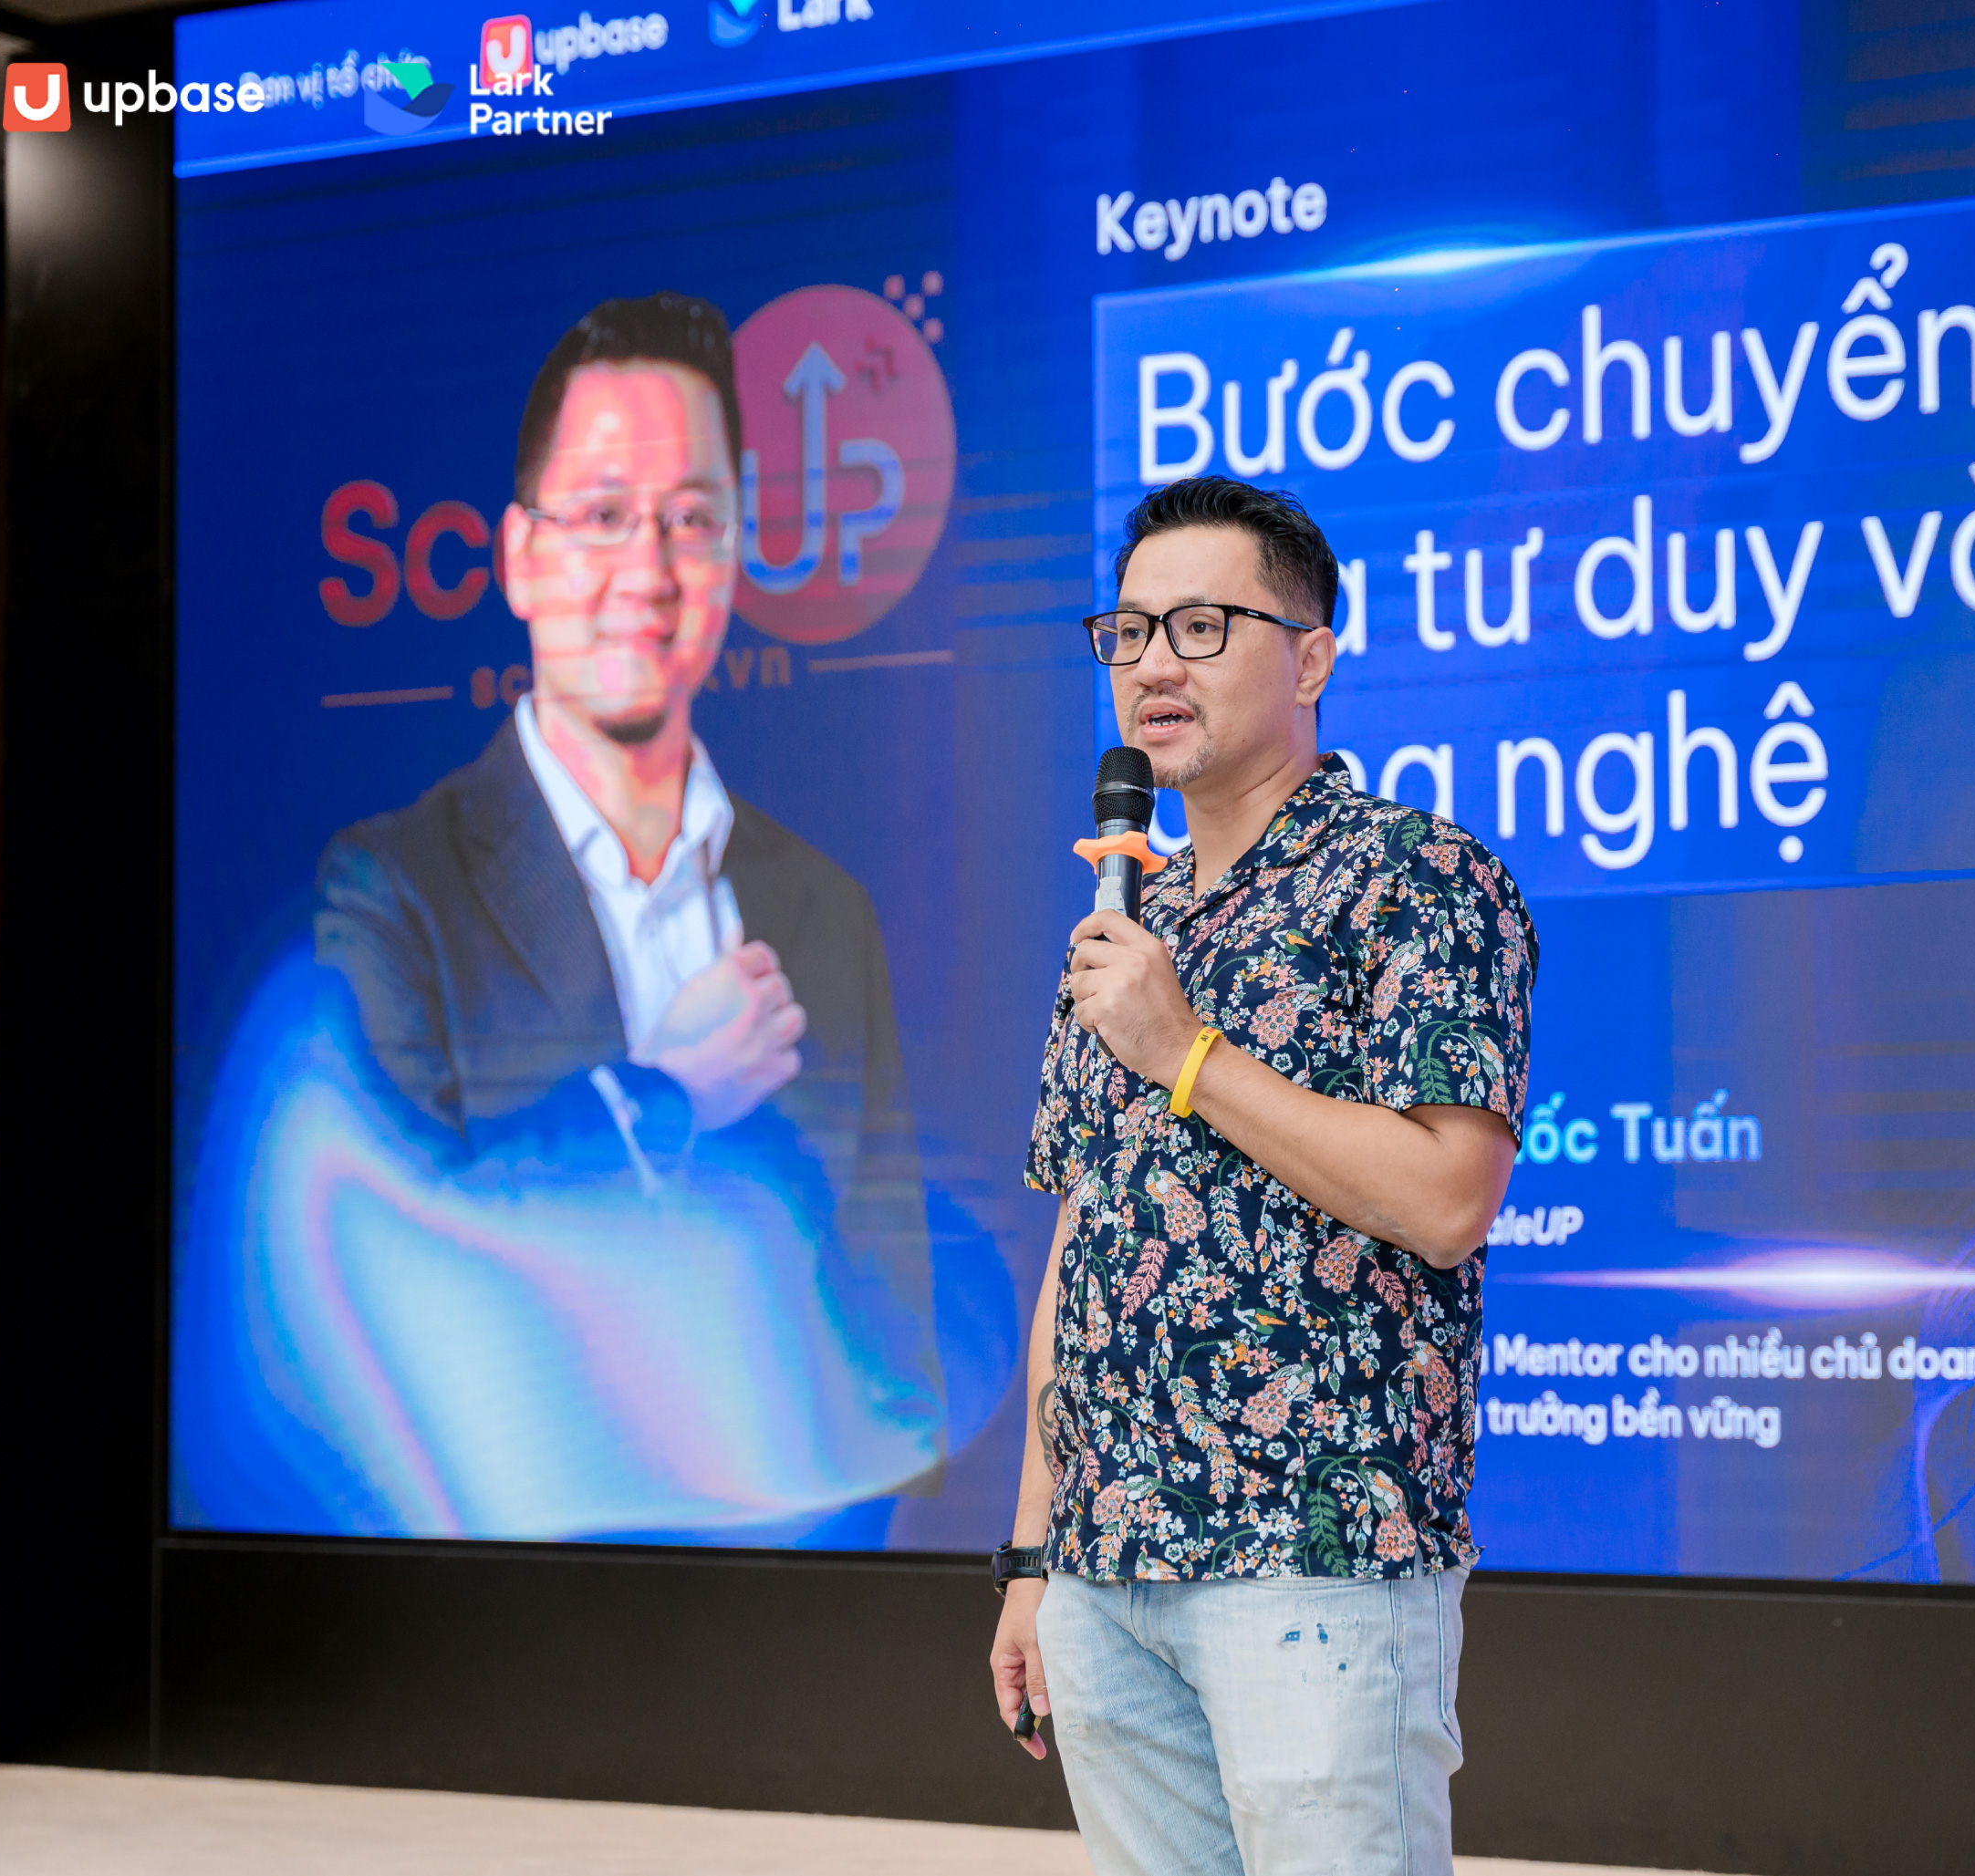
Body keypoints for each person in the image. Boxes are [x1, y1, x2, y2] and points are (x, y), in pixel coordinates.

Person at [987, 477, 1537, 1875]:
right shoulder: (1122, 928)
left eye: (1200, 625)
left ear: (1309, 658)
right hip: (1106, 1567)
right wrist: (1032, 1554)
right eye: (1127, 631)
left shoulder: (1416, 878)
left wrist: (1184, 1050)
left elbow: (1446, 1200)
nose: (1151, 663)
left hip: (1312, 1556)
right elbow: (1085, 1245)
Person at [311, 292, 941, 1508]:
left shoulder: (824, 910)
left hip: (791, 1598)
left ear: (733, 556)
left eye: (689, 520)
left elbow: (893, 1338)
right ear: (521, 557)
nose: (647, 573)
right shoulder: (392, 889)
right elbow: (390, 1282)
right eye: (602, 516)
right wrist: (660, 1096)